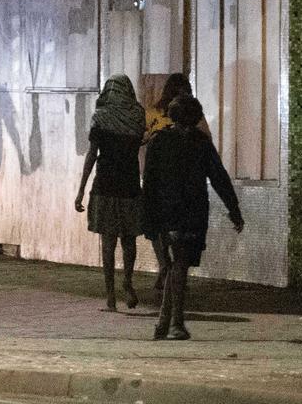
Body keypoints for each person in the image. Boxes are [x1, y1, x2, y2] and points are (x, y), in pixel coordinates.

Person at [142, 94, 243, 340]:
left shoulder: (159, 141)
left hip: (167, 213)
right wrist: (233, 209)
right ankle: (173, 323)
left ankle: (165, 323)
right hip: (192, 213)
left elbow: (150, 184)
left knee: (175, 265)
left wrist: (149, 219)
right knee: (180, 265)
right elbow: (219, 177)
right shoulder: (201, 143)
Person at [75, 74, 146, 312]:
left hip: (105, 186)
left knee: (107, 243)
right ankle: (127, 281)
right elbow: (137, 143)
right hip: (129, 186)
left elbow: (91, 156)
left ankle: (110, 296)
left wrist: (81, 190)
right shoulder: (137, 116)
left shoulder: (101, 117)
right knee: (129, 240)